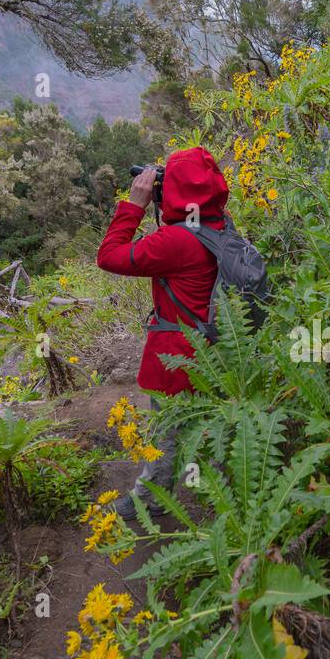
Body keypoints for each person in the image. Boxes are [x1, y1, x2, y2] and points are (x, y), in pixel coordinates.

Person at [96, 145, 229, 517]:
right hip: (215, 349)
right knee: (208, 426)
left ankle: (152, 499)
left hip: (177, 358)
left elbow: (108, 256)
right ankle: (218, 493)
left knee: (166, 432)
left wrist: (136, 204)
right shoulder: (218, 224)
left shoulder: (176, 241)